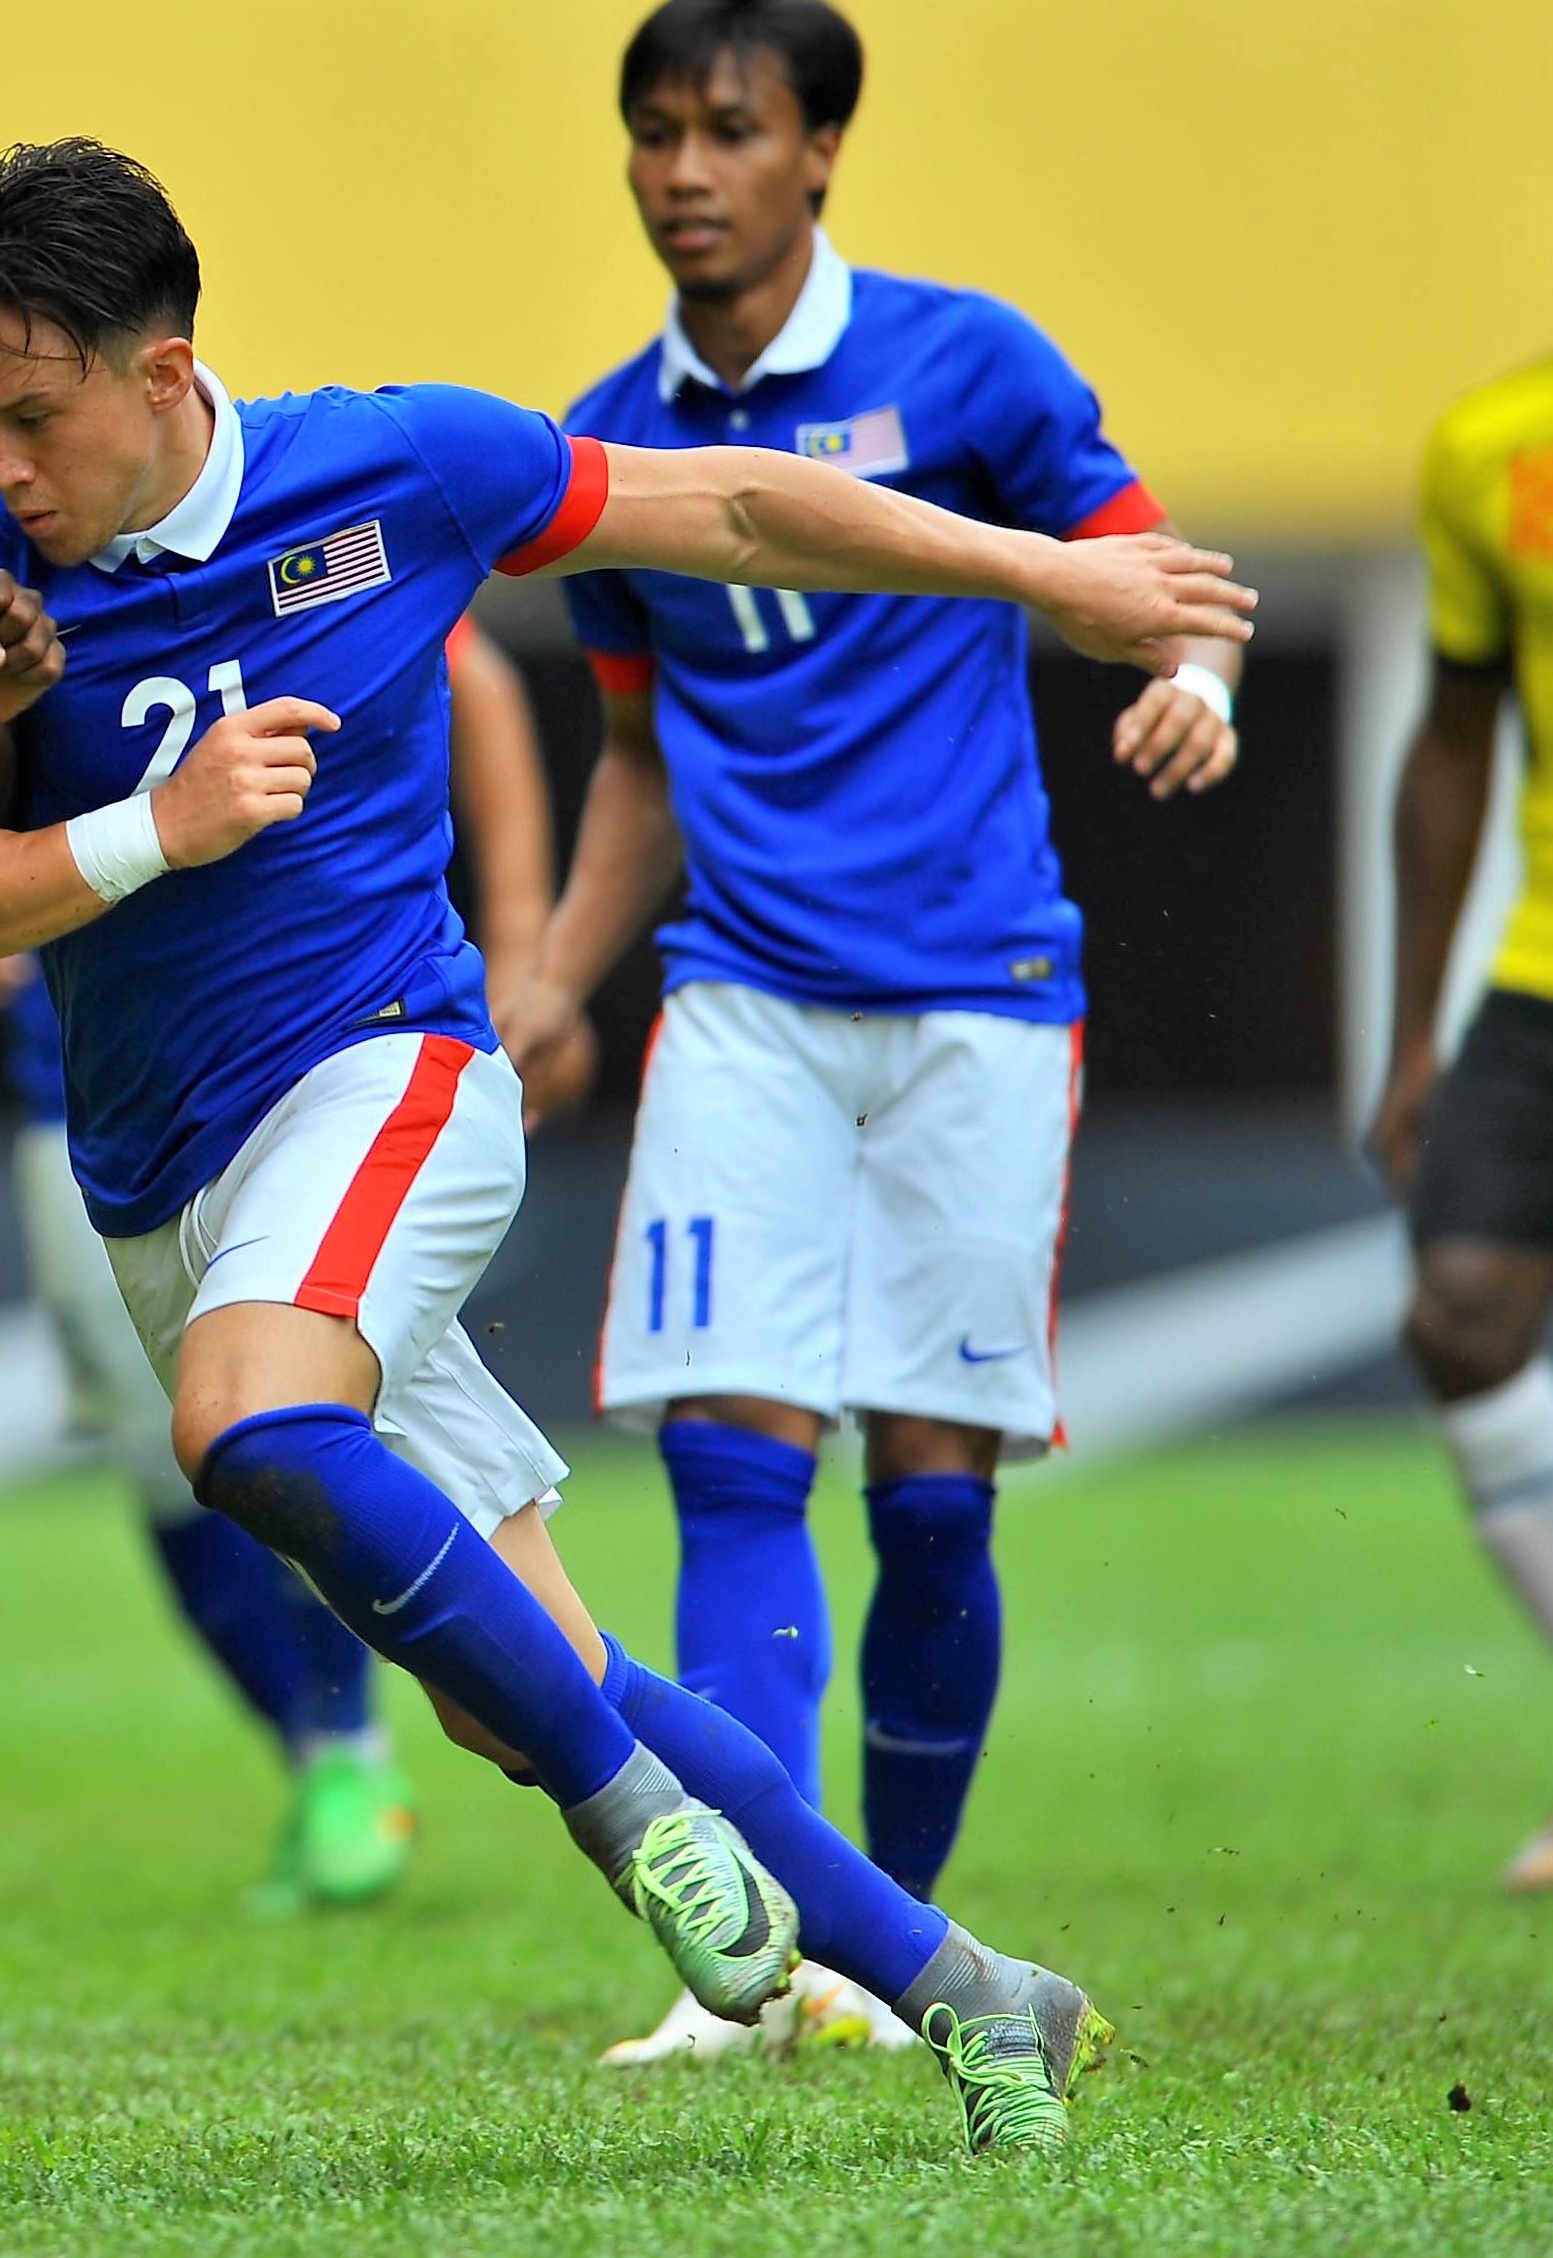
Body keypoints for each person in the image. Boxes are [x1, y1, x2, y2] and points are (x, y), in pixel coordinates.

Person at [0, 138, 1247, 2152]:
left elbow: (734, 503)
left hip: (387, 1071)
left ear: (164, 369)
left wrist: (1052, 574)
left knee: (249, 1422)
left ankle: (633, 1813)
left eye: (34, 414)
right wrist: (142, 818)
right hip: (158, 1173)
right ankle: (973, 1989)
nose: (2, 462)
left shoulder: (402, 471)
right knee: (515, 1669)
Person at [486, 0, 1249, 2065]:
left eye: (728, 128)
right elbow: (641, 761)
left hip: (983, 1002)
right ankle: (772, 1978)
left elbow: (1147, 572)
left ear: (820, 149)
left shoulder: (969, 363)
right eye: (653, 130)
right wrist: (553, 970)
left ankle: (908, 1958)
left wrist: (1203, 686)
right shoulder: (614, 440)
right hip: (740, 998)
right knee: (734, 1460)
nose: (683, 169)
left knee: (930, 1500)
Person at [0, 620, 588, 1915]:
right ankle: (339, 1754)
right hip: (92, 1100)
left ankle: (520, 1743)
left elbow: (479, 681)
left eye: (34, 416)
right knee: (172, 1462)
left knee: (288, 1428)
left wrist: (524, 953)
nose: (15, 454)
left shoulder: (281, 527)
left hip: (304, 1079)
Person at [1369, 348, 1553, 1891]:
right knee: (1464, 1308)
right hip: (1542, 971)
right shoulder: (1493, 447)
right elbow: (1452, 737)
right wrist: (1415, 1028)